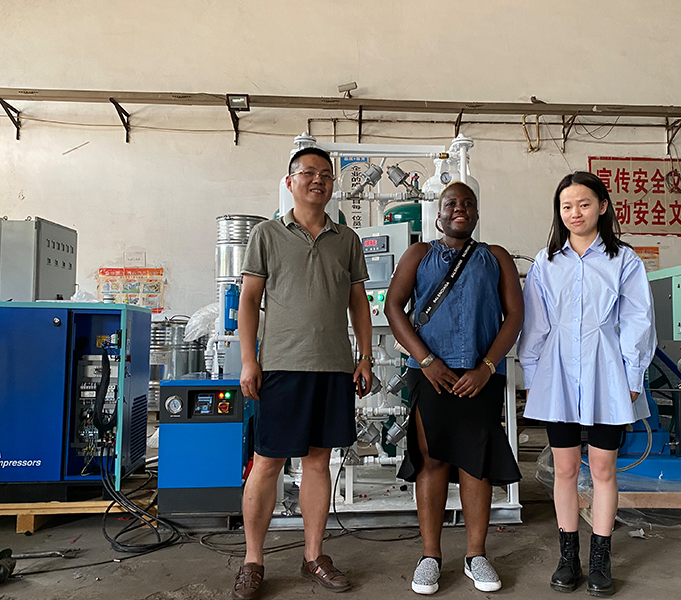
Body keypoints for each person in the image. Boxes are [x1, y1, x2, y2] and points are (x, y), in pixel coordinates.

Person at [233, 147, 374, 600]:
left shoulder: (346, 239)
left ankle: (314, 556)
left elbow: (358, 302)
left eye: (326, 174)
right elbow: (249, 300)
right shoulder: (267, 235)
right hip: (281, 367)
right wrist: (249, 360)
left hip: (333, 367)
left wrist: (365, 356)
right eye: (308, 173)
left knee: (318, 462)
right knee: (268, 462)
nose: (318, 180)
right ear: (290, 181)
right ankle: (253, 561)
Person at [517, 171, 656, 597]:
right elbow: (535, 324)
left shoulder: (624, 260)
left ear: (602, 206)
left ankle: (600, 559)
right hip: (556, 372)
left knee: (602, 468)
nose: (575, 213)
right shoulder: (546, 262)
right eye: (566, 206)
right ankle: (567, 557)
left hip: (606, 371)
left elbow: (638, 320)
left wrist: (632, 375)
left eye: (583, 204)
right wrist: (532, 375)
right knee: (564, 468)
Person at [385, 181, 524, 595]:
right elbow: (394, 307)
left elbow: (515, 315)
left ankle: (475, 554)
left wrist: (487, 367)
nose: (459, 209)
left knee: (475, 462)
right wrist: (426, 361)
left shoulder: (495, 257)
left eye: (468, 203)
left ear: (477, 214)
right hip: (430, 374)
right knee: (431, 461)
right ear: (438, 216)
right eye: (451, 204)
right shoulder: (418, 254)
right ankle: (430, 556)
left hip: (480, 377)